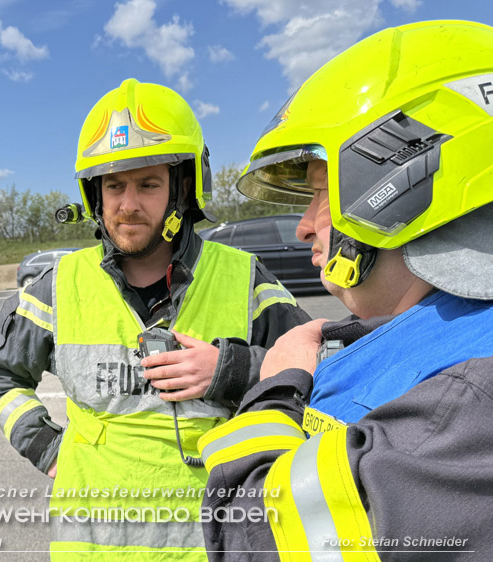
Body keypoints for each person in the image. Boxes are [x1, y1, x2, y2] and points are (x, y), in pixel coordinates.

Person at [0, 78, 310, 559]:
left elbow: (322, 372)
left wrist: (232, 370)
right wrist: (46, 447)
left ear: (183, 190)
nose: (127, 204)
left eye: (148, 184)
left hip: (211, 544)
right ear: (95, 194)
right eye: (114, 185)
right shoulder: (59, 285)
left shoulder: (242, 277)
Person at [197, 20, 493, 561]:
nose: (305, 227)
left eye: (321, 194)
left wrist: (275, 391)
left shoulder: (469, 398)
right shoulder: (452, 342)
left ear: (404, 179)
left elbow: (255, 540)